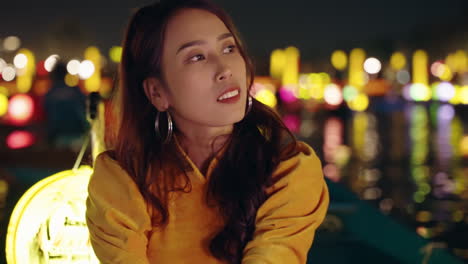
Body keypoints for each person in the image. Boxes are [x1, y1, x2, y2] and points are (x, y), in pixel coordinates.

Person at [85, 0, 329, 263]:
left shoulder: (288, 169)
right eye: (197, 57)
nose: (225, 69)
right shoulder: (122, 179)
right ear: (157, 92)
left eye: (228, 47)